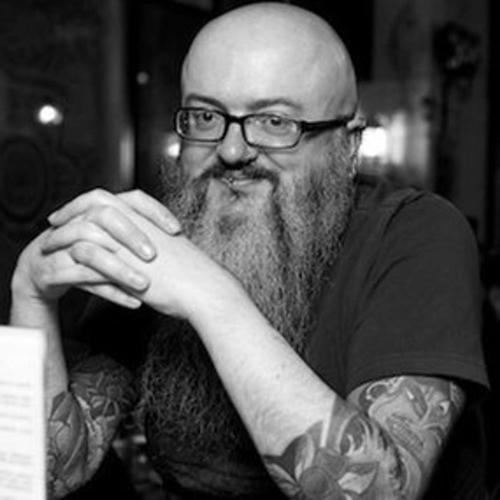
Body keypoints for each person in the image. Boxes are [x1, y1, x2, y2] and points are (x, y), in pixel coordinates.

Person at [9, 2, 488, 499]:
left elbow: (380, 493)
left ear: (347, 148)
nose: (233, 150)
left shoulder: (415, 233)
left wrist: (210, 297)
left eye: (275, 121)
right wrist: (30, 297)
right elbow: (50, 473)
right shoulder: (158, 239)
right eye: (205, 116)